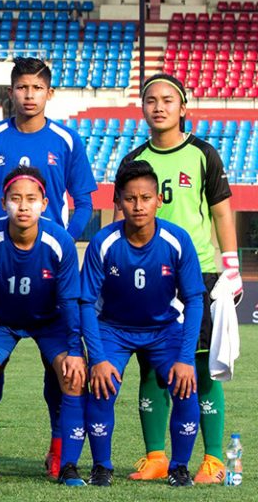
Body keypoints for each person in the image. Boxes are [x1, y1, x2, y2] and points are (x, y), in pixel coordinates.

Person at [0, 56, 97, 478]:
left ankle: (59, 453)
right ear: (11, 92)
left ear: (49, 93)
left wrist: (60, 239)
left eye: (37, 88)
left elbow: (85, 202)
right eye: (22, 87)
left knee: (62, 374)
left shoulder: (67, 140)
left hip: (48, 274)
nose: (29, 95)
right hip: (4, 271)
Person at [118, 73, 241, 484]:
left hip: (199, 274)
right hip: (151, 276)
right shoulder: (134, 160)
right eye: (151, 100)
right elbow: (122, 219)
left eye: (168, 100)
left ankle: (214, 459)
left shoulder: (203, 154)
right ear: (143, 108)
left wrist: (230, 267)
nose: (159, 107)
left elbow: (222, 212)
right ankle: (156, 456)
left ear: (183, 107)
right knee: (152, 367)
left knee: (201, 365)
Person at [0, 166, 87, 486]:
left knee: (73, 376)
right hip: (2, 321)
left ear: (44, 204)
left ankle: (64, 461)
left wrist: (74, 351)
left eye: (31, 199)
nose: (23, 206)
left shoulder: (60, 241)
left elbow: (70, 302)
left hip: (50, 321)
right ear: (3, 202)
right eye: (15, 199)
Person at [81, 160, 204, 487]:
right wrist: (98, 358)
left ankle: (179, 468)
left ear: (158, 200)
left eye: (146, 198)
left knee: (186, 387)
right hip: (113, 329)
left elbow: (194, 300)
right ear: (118, 202)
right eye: (130, 199)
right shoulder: (103, 242)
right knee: (102, 387)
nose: (138, 206)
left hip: (164, 331)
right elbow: (85, 303)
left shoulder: (177, 240)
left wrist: (186, 359)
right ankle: (101, 467)